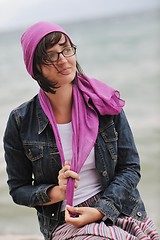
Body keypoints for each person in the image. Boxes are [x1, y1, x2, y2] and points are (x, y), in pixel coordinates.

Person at [3, 21, 159, 240]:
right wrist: (58, 191)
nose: (63, 59)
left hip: (119, 209)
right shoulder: (20, 121)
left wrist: (101, 209)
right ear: (35, 67)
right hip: (67, 220)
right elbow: (18, 190)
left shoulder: (104, 103)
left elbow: (130, 167)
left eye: (66, 50)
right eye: (51, 55)